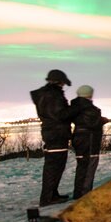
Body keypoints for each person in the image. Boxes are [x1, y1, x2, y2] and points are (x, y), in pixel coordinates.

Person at [30, 69, 77, 206]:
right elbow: (60, 114)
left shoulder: (47, 94)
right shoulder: (53, 95)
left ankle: (52, 194)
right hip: (57, 133)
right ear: (59, 82)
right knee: (54, 166)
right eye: (63, 83)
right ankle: (48, 197)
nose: (63, 86)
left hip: (53, 133)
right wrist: (74, 108)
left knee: (56, 166)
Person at [69, 85, 108, 199]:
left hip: (79, 139)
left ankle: (79, 192)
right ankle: (84, 194)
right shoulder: (89, 108)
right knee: (89, 167)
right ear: (89, 95)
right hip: (89, 140)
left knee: (81, 167)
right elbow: (92, 123)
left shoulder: (74, 107)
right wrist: (102, 120)